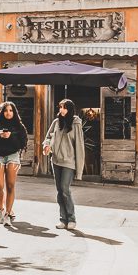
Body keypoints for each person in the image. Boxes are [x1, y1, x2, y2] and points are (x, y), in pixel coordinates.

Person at [42, 98, 85, 230]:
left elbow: (79, 146)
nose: (61, 110)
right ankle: (63, 219)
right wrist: (47, 146)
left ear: (70, 109)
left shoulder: (76, 124)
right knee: (59, 191)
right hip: (55, 161)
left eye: (64, 107)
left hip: (69, 162)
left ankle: (71, 219)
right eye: (60, 107)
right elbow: (48, 137)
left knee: (64, 189)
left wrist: (79, 169)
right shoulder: (56, 122)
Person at [0, 101, 28, 230]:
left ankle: (8, 214)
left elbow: (23, 143)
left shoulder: (19, 126)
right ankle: (1, 210)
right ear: (2, 112)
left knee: (10, 185)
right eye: (6, 110)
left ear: (14, 112)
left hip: (13, 156)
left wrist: (10, 136)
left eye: (10, 110)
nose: (8, 113)